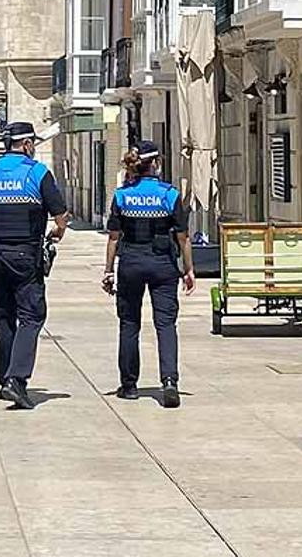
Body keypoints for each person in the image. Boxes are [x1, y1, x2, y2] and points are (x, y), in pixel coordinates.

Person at [0, 122, 69, 410]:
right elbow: (60, 213)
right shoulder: (36, 172)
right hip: (25, 254)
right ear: (26, 145)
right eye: (32, 144)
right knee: (32, 316)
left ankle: (4, 381)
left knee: (2, 316)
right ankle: (16, 379)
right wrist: (58, 231)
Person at [101, 140, 195, 409]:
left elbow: (113, 237)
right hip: (163, 264)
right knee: (165, 324)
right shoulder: (169, 194)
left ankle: (129, 385)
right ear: (155, 163)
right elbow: (183, 237)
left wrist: (108, 271)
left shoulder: (122, 196)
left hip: (130, 262)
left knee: (129, 323)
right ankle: (169, 381)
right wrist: (188, 269)